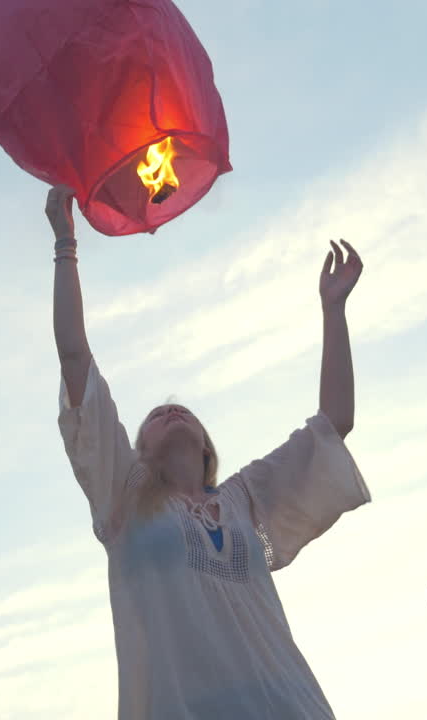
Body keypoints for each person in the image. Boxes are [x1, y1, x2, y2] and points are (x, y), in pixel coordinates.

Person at [47, 185, 370, 718]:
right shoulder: (122, 495)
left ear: (205, 445)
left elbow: (334, 423)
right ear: (138, 449)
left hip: (291, 705)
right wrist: (65, 245)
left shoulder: (246, 498)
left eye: (184, 412)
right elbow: (75, 355)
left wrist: (333, 309)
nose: (171, 412)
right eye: (156, 415)